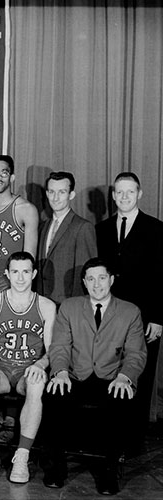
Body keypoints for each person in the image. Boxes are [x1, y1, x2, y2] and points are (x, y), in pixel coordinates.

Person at [42, 258, 147, 495]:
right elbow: (59, 346)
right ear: (84, 282)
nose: (96, 284)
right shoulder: (69, 307)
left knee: (120, 401)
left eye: (101, 278)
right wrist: (60, 372)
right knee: (52, 397)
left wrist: (125, 377)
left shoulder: (130, 311)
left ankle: (108, 472)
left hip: (111, 377)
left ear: (111, 280)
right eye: (90, 279)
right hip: (75, 375)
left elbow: (136, 353)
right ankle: (55, 469)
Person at [0, 251, 56, 484]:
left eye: (26, 272)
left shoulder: (47, 306)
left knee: (38, 382)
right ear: (7, 274)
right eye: (16, 272)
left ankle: (22, 455)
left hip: (27, 371)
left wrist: (41, 363)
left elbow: (51, 351)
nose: (20, 278)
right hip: (0, 368)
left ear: (34, 274)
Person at [96, 172, 163, 450]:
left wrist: (159, 318)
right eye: (119, 192)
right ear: (113, 196)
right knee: (109, 368)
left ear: (140, 194)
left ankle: (134, 439)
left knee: (140, 373)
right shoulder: (101, 229)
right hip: (110, 314)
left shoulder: (156, 229)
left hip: (146, 316)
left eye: (130, 192)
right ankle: (109, 437)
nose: (124, 197)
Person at [0, 155, 39, 296]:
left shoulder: (25, 209)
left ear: (11, 178)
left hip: (6, 282)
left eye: (4, 173)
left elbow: (29, 258)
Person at [36, 171, 97, 306]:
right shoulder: (43, 227)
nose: (56, 198)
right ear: (46, 194)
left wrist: (75, 310)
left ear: (71, 195)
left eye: (62, 192)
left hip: (68, 306)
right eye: (52, 192)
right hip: (43, 304)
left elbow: (87, 274)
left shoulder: (83, 227)